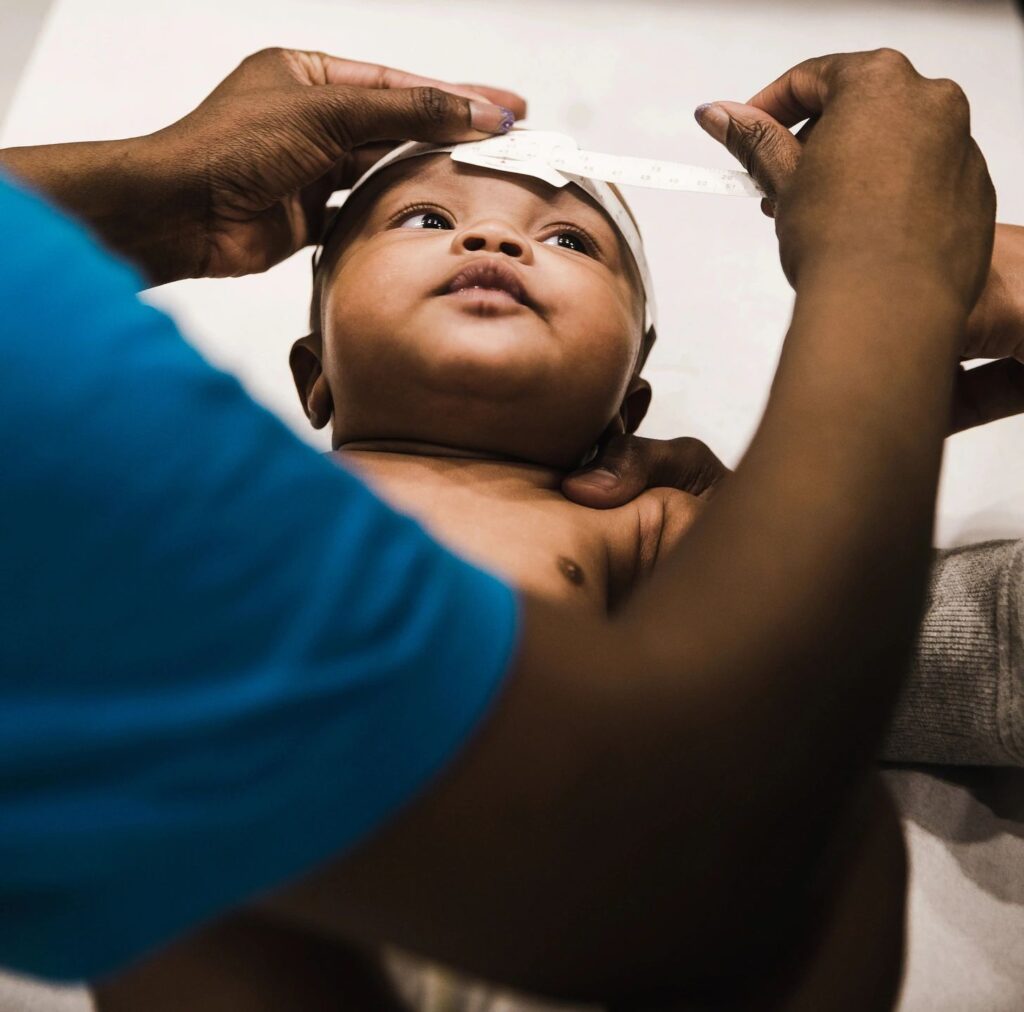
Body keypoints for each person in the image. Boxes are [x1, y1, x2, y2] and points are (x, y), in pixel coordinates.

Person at [0, 44, 999, 1010]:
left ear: (629, 406)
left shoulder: (638, 519)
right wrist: (893, 261)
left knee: (848, 832)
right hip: (314, 898)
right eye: (426, 218)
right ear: (312, 374)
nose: (493, 242)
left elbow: (799, 651)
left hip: (589, 936)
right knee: (171, 878)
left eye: (570, 243)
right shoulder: (256, 476)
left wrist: (750, 513)